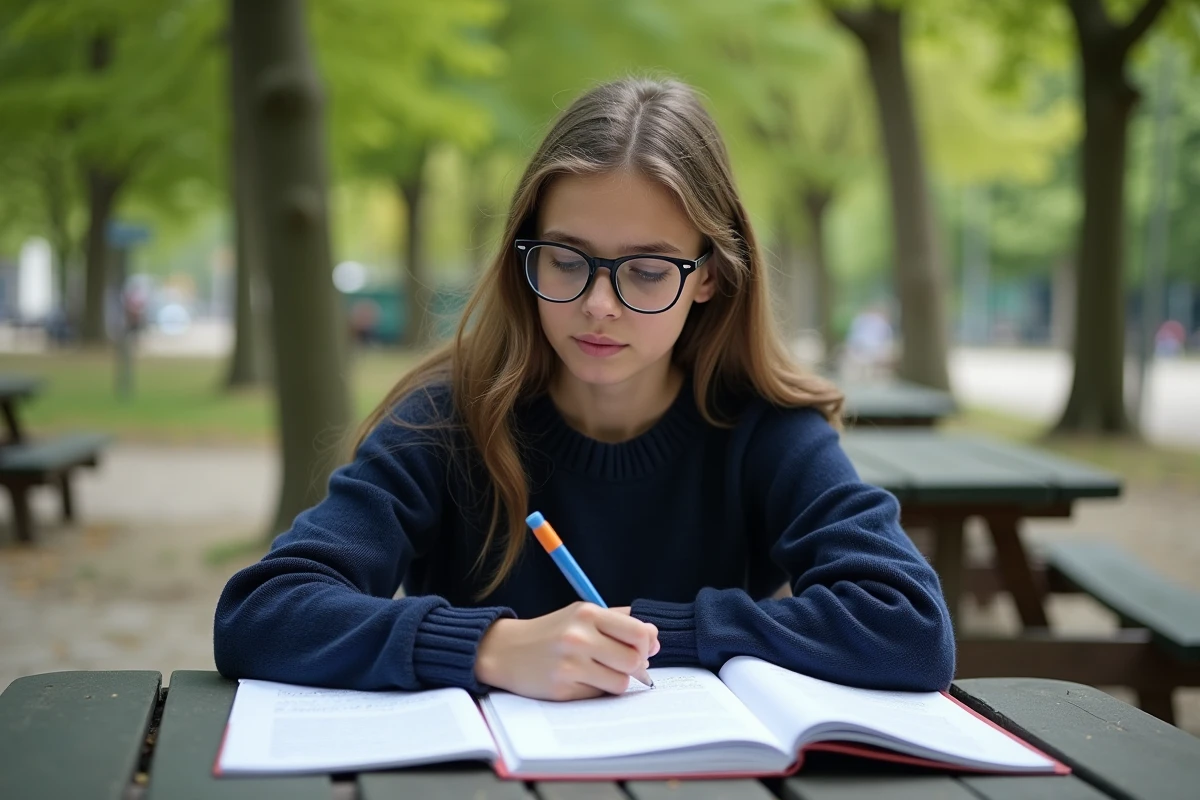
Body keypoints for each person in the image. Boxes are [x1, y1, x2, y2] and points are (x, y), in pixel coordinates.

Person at [214, 77, 954, 702]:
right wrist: (489, 648)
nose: (599, 305)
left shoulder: (766, 429)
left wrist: (656, 634)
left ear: (709, 277)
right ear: (525, 256)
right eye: (567, 261)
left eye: (647, 271)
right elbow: (263, 610)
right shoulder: (445, 420)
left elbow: (911, 627)